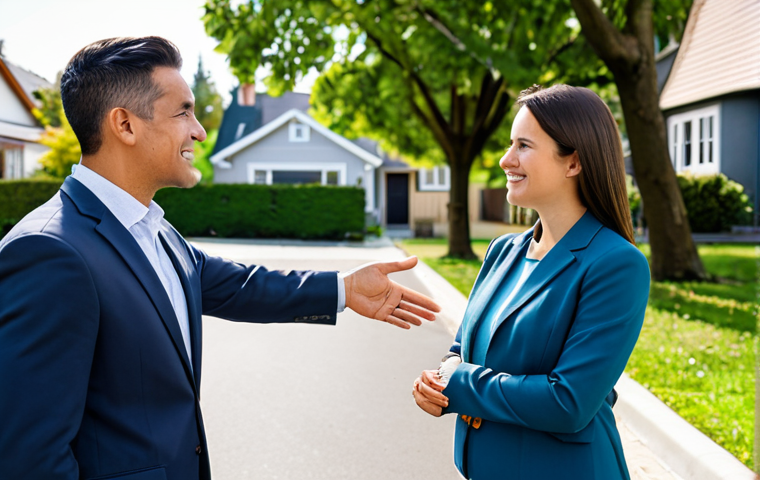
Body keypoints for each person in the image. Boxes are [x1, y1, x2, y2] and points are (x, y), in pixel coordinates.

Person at [0, 36, 439, 480]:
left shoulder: (157, 231)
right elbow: (28, 457)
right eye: (183, 112)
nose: (200, 130)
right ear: (125, 125)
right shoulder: (50, 252)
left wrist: (344, 289)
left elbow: (242, 286)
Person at [412, 84, 650, 480]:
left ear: (573, 162)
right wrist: (438, 381)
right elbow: (464, 348)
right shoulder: (502, 251)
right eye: (510, 144)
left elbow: (568, 402)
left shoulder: (617, 265)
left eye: (523, 146)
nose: (506, 160)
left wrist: (461, 383)